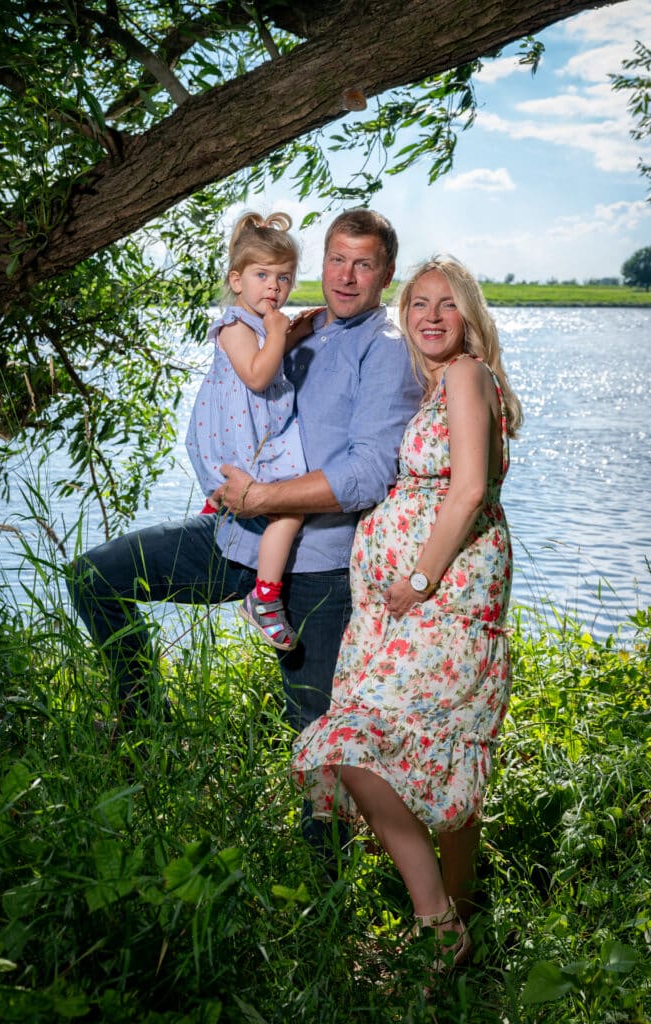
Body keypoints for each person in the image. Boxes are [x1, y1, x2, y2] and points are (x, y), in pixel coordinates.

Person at [66, 210, 420, 825]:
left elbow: (366, 476)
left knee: (317, 741)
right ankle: (143, 716)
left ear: (386, 273)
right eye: (337, 259)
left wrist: (262, 498)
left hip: (314, 567)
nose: (346, 275)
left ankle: (325, 890)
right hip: (234, 537)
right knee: (95, 576)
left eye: (364, 264)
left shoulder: (385, 351)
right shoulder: (303, 324)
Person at [290, 255, 523, 976]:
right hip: (423, 598)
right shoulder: (446, 384)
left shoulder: (463, 375)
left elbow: (469, 488)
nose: (427, 315)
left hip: (441, 594)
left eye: (444, 304)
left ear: (468, 316)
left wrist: (417, 579)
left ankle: (436, 924)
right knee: (442, 747)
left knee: (351, 741)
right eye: (416, 303)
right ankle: (460, 921)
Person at [185, 211, 305, 651]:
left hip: (251, 435)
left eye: (284, 278)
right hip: (245, 439)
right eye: (262, 275)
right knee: (290, 509)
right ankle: (265, 599)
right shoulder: (234, 324)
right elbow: (257, 375)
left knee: (273, 503)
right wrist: (279, 331)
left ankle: (217, 510)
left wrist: (292, 333)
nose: (274, 287)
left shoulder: (257, 323)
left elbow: (269, 359)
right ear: (237, 281)